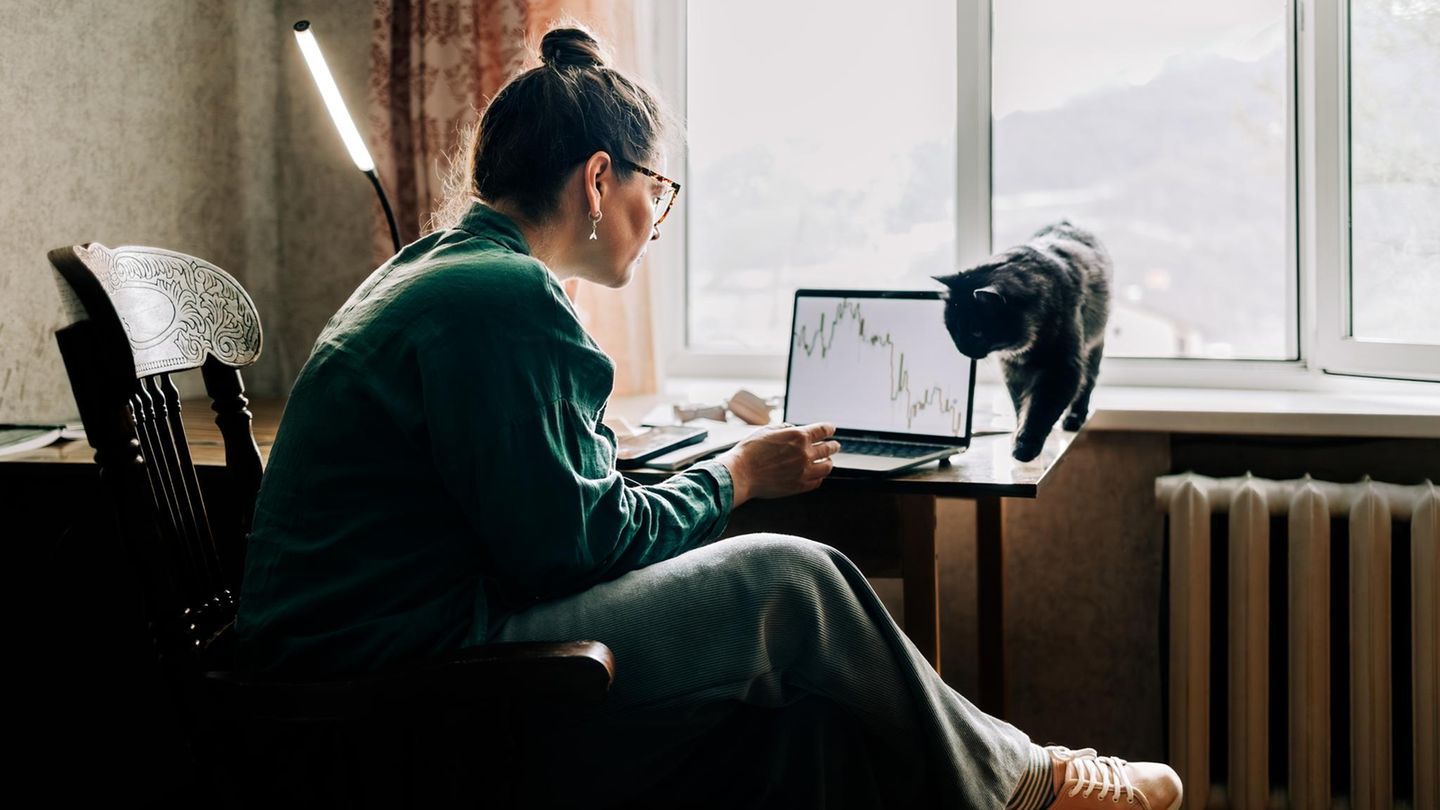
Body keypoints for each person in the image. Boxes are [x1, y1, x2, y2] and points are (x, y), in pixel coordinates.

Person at [235, 24, 1183, 810]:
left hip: (363, 668)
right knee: (791, 576)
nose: (659, 215)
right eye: (659, 188)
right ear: (600, 182)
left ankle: (1020, 776)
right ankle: (1031, 781)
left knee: (804, 721)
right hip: (393, 701)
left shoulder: (440, 270)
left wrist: (679, 476)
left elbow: (538, 504)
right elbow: (566, 549)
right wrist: (733, 475)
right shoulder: (504, 299)